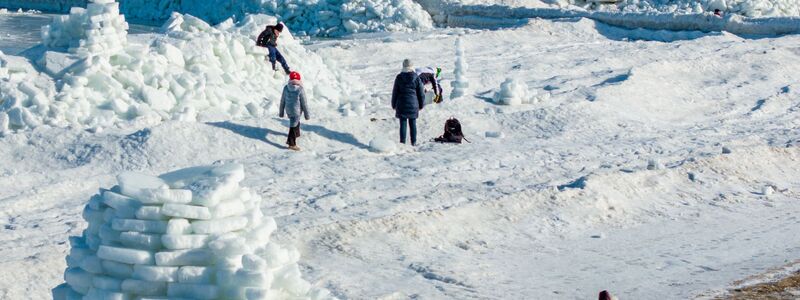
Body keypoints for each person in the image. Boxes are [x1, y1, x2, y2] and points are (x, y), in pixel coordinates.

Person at [391, 59, 425, 146]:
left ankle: (402, 143)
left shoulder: (399, 77)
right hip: (413, 104)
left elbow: (395, 92)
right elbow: (421, 93)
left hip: (401, 104)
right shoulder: (416, 77)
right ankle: (413, 142)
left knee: (403, 123)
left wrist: (393, 104)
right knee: (412, 123)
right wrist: (421, 104)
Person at [279, 71, 309, 151]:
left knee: (295, 121)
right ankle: (291, 143)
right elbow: (304, 103)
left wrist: (281, 112)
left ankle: (297, 133)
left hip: (288, 109)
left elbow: (282, 100)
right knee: (293, 124)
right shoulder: (300, 89)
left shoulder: (286, 87)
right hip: (296, 111)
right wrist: (307, 115)